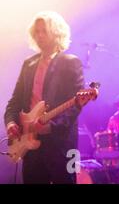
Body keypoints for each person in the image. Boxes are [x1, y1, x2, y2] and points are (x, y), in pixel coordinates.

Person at [4, 11, 85, 184]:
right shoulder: (29, 63)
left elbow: (75, 106)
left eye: (44, 31)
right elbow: (15, 101)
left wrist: (51, 127)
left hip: (61, 145)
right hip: (30, 143)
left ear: (56, 33)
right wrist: (11, 123)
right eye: (37, 31)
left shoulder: (70, 62)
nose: (39, 36)